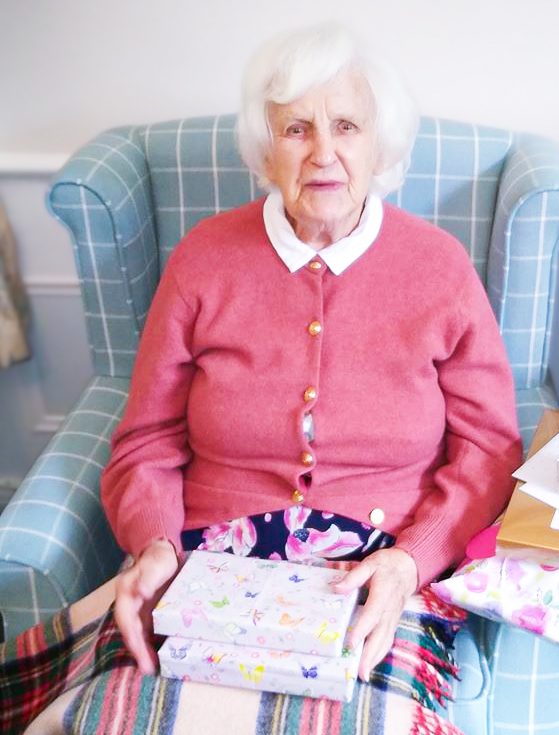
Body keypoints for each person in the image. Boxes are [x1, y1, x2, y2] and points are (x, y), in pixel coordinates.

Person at [1, 23, 522, 734]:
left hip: (375, 566)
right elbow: (146, 439)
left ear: (380, 143)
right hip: (207, 558)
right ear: (265, 147)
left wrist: (413, 559)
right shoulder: (203, 260)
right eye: (296, 129)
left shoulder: (440, 269)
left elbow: (490, 448)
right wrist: (155, 545)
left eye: (346, 126)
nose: (324, 152)